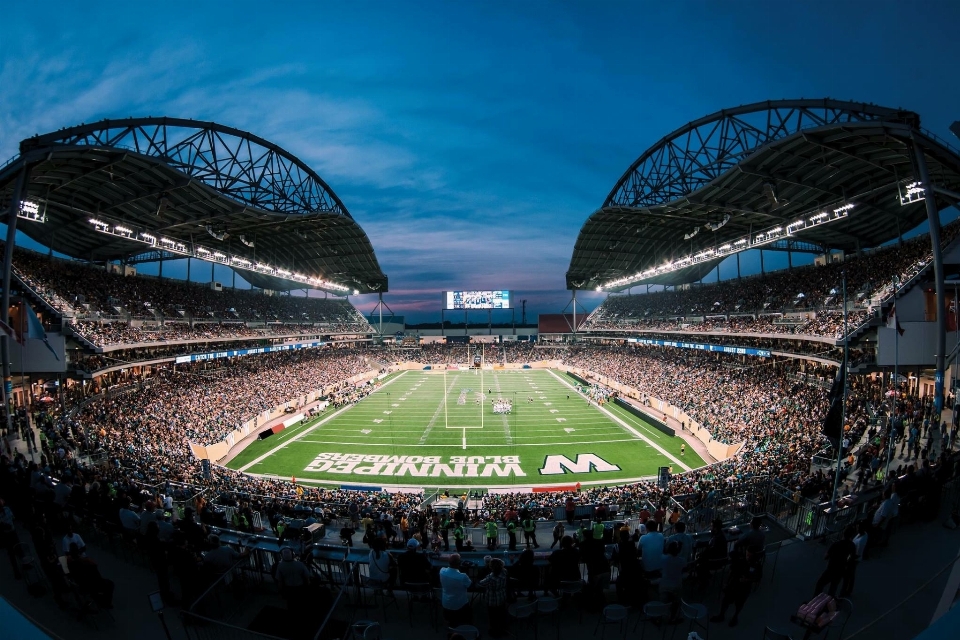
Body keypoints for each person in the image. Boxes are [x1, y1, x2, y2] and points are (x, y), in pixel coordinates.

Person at [710, 545, 763, 627]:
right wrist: (726, 583)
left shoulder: (756, 564)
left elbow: (758, 577)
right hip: (733, 584)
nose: (748, 557)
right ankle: (721, 615)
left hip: (744, 588)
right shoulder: (741, 560)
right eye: (747, 554)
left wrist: (747, 580)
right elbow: (731, 571)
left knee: (739, 604)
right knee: (726, 601)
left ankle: (735, 617)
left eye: (750, 555)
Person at [67, 543, 114, 609]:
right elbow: (94, 566)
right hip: (89, 585)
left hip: (81, 584)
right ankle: (106, 602)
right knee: (110, 584)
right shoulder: (84, 562)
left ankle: (100, 597)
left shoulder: (70, 562)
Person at [814, 526, 856, 597]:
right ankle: (830, 602)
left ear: (843, 533)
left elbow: (826, 556)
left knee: (820, 584)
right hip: (841, 570)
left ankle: (815, 599)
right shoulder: (852, 546)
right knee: (833, 587)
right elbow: (851, 557)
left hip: (831, 568)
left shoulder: (836, 544)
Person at [440, 554, 473, 627]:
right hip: (460, 605)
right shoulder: (463, 576)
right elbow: (470, 585)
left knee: (451, 621)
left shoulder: (442, 571)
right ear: (459, 563)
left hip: (446, 604)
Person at [479, 557, 509, 638]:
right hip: (502, 596)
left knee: (492, 616)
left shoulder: (490, 577)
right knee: (501, 613)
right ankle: (502, 628)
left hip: (492, 599)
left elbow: (481, 583)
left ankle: (494, 631)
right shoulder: (505, 572)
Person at [659, 541, 685, 621]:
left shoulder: (663, 558)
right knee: (676, 602)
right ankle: (673, 617)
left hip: (664, 585)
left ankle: (660, 616)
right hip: (676, 585)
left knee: (663, 601)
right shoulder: (681, 560)